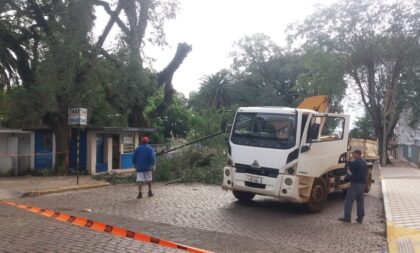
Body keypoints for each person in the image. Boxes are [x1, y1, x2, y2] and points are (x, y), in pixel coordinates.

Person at [338, 149, 368, 223]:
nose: (352, 155)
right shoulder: (364, 162)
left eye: (353, 154)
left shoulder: (354, 163)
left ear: (357, 154)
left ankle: (347, 217)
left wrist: (345, 179)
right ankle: (360, 217)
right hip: (363, 184)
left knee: (349, 200)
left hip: (355, 183)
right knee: (360, 200)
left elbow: (350, 174)